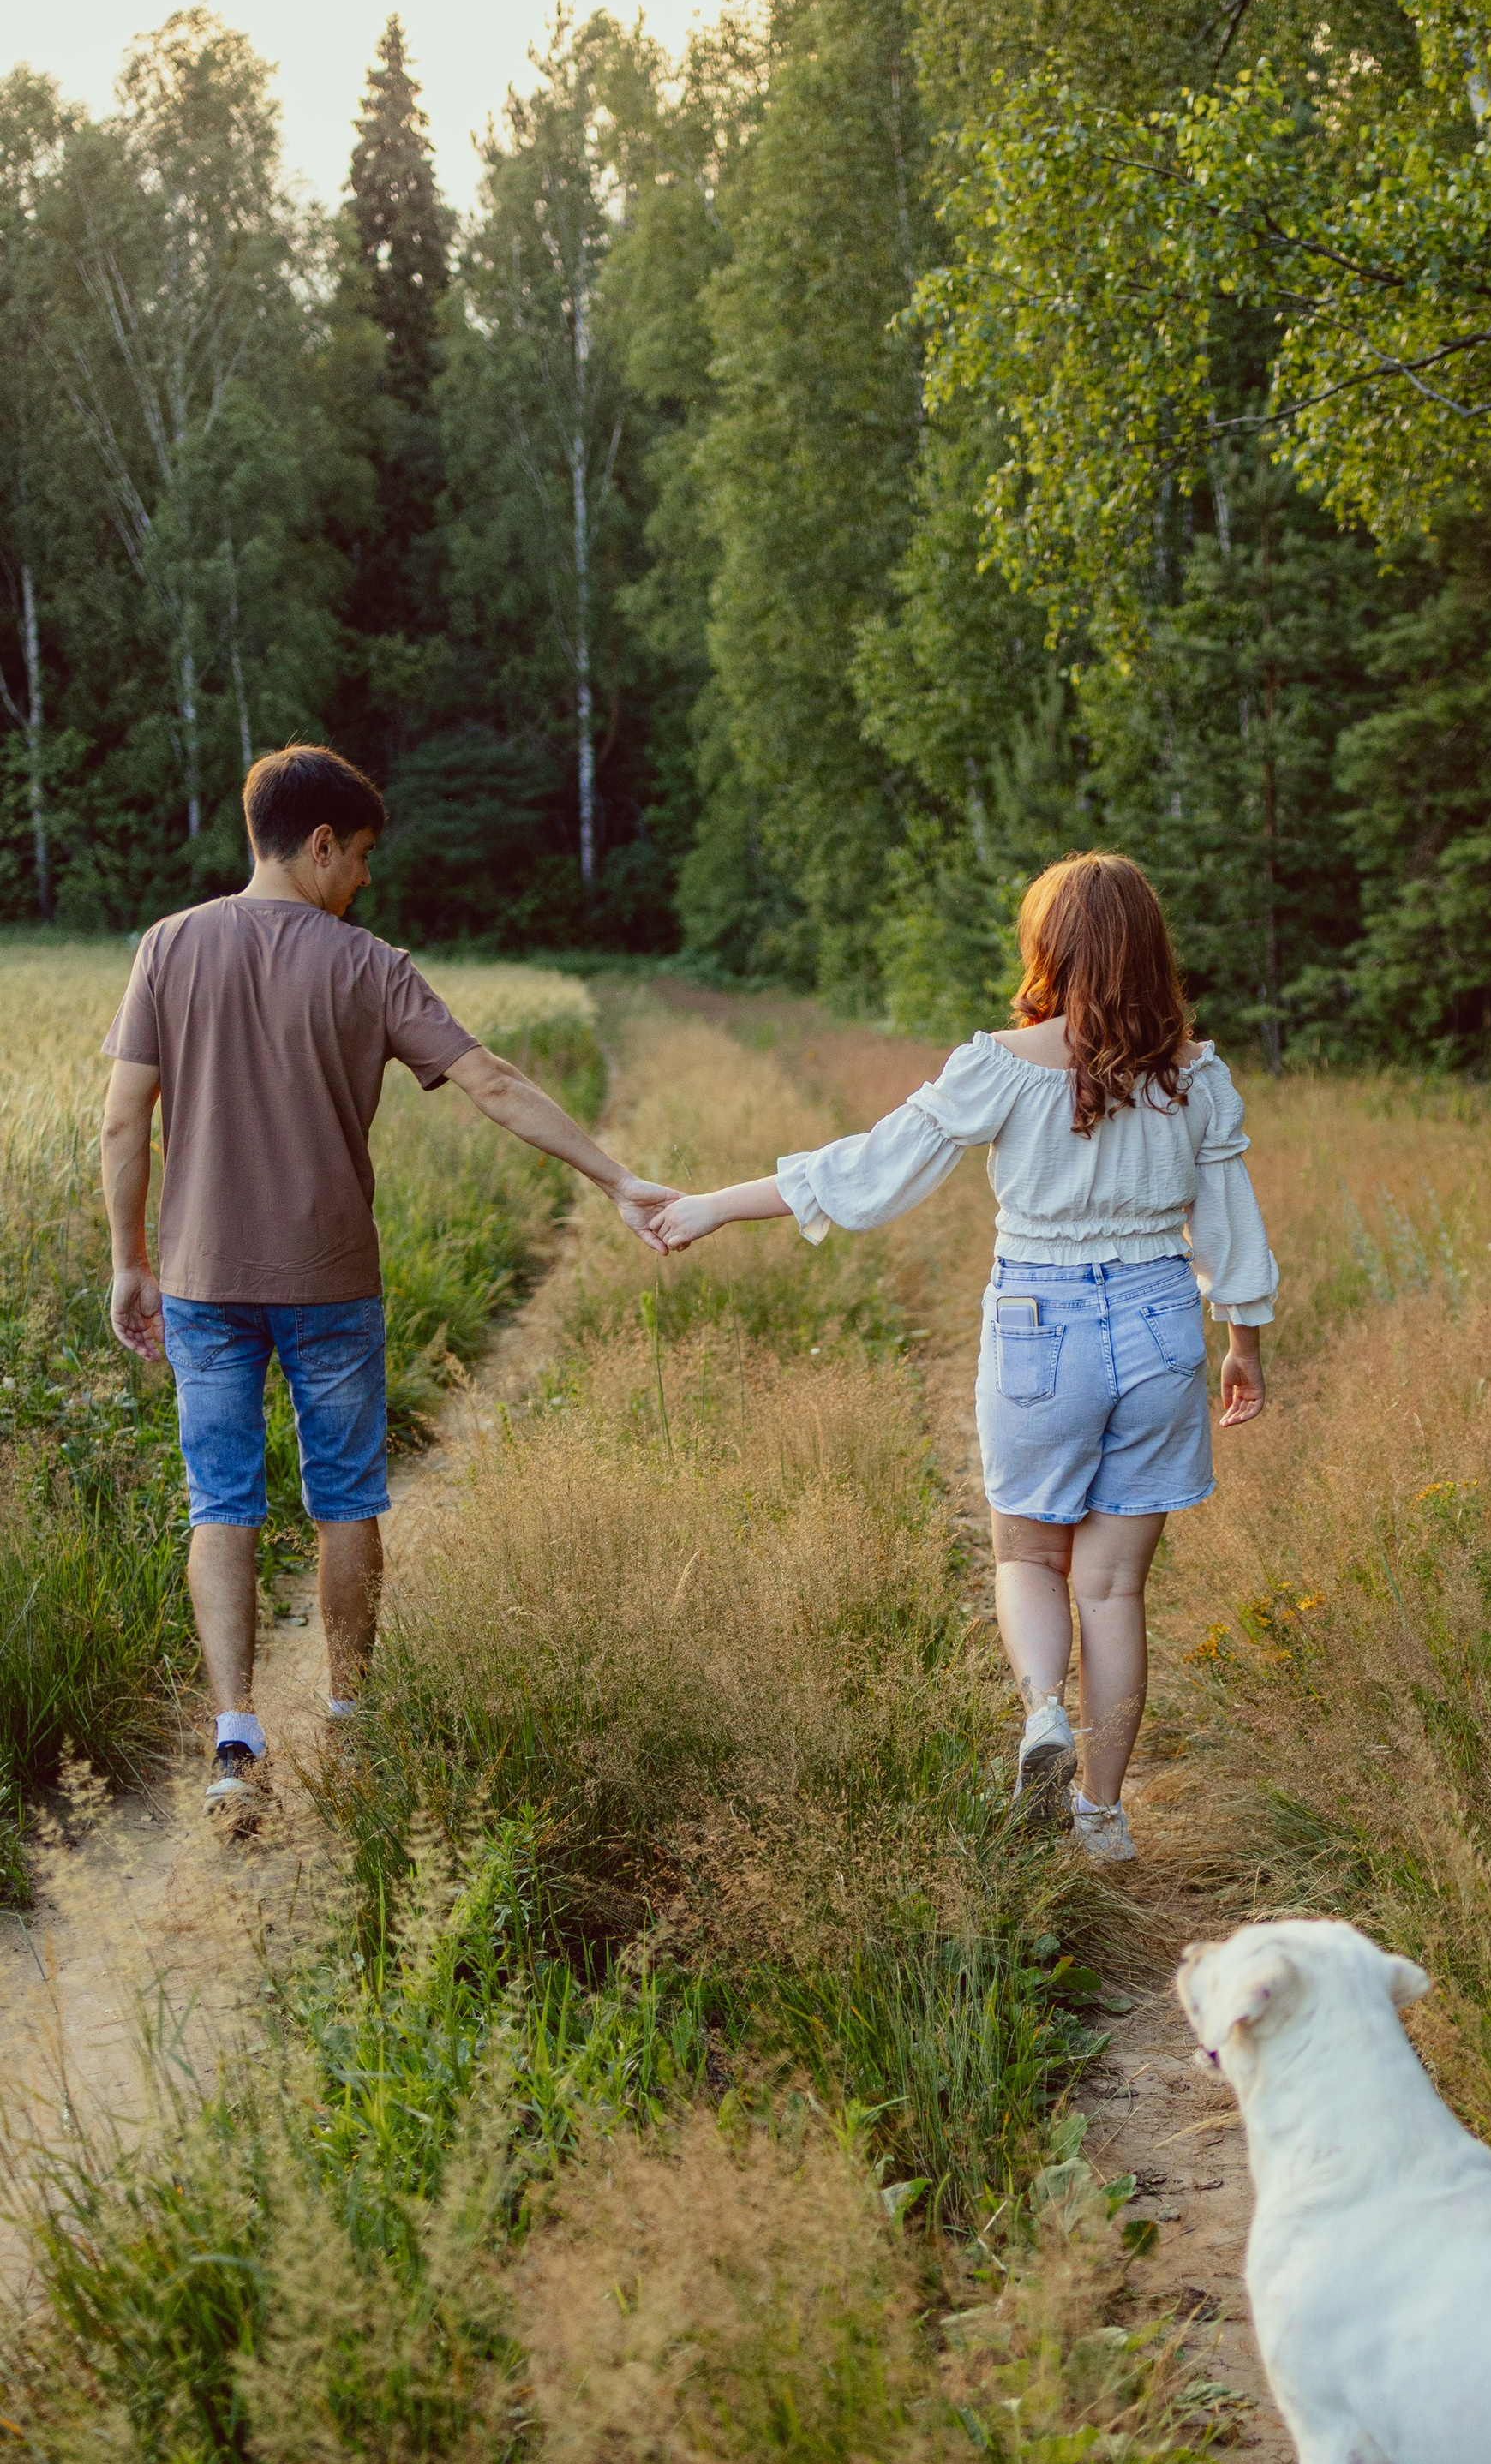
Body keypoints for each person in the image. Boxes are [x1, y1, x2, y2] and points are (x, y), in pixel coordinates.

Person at [654, 851, 1278, 1860]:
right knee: (1114, 1589)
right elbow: (1230, 1222)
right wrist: (1241, 1335)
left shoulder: (1000, 1064)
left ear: (1052, 948)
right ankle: (1105, 1820)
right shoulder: (1196, 1077)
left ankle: (1043, 1717)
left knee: (1027, 1554)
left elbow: (868, 1172)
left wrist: (712, 1207)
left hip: (1043, 1322)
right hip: (1163, 1322)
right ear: (1150, 949)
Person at [101, 742, 676, 1814]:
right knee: (347, 1499)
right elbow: (493, 1085)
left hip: (201, 1283)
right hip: (329, 1285)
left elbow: (122, 1120)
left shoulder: (168, 947)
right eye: (359, 855)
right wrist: (615, 1180)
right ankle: (353, 1719)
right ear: (319, 843)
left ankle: (235, 1741)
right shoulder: (370, 965)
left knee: (220, 1504)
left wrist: (131, 1264)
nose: (363, 879)